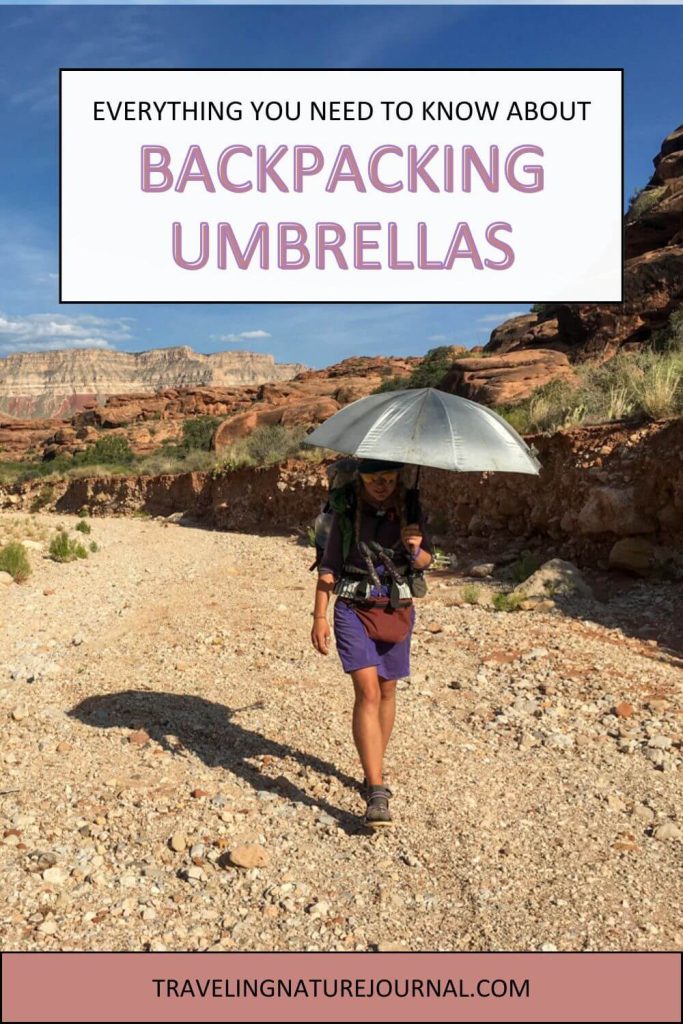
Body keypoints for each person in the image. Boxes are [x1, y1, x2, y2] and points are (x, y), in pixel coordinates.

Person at [310, 458, 433, 828]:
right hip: (353, 611)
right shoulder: (346, 516)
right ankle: (377, 790)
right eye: (373, 478)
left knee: (388, 691)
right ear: (361, 480)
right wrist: (318, 617)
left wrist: (415, 547)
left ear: (398, 480)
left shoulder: (410, 512)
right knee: (368, 693)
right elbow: (328, 567)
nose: (381, 485)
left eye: (389, 478)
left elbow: (429, 560)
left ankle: (372, 765)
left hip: (395, 612)